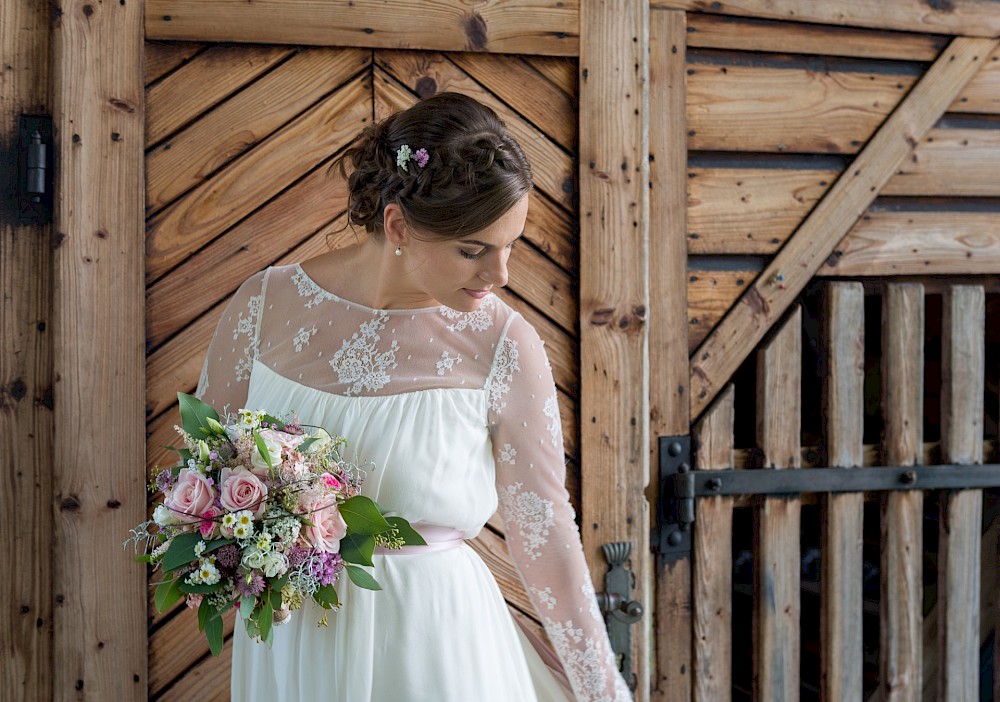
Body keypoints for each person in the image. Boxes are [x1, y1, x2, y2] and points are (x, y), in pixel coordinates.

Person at [196, 91, 632, 702]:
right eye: (474, 250)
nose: (500, 274)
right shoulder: (263, 306)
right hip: (292, 642)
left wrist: (601, 689)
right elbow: (204, 469)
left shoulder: (506, 346)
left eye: (511, 246)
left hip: (432, 645)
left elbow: (545, 532)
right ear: (398, 224)